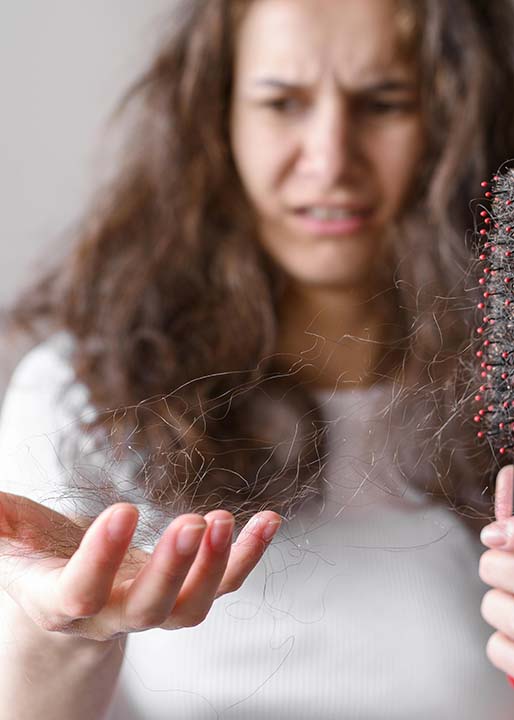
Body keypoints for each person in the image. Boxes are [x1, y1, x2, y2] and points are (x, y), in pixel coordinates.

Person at [2, 0, 514, 717]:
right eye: (282, 103)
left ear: (458, 121)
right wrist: (61, 635)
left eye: (384, 102)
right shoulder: (76, 399)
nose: (331, 159)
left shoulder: (502, 391)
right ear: (218, 121)